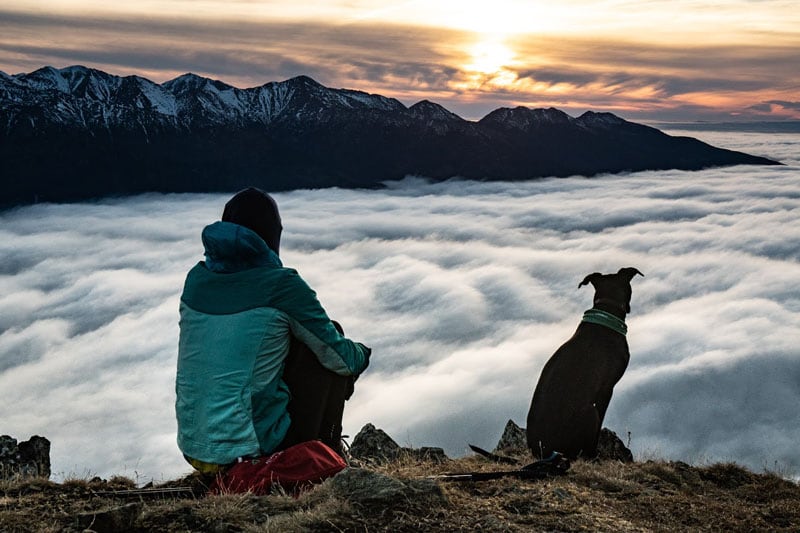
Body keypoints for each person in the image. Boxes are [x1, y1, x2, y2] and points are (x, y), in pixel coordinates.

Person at [175, 187, 371, 474]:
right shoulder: (283, 287)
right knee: (324, 344)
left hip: (195, 449)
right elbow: (341, 359)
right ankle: (328, 457)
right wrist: (363, 354)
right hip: (251, 451)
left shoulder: (195, 280)